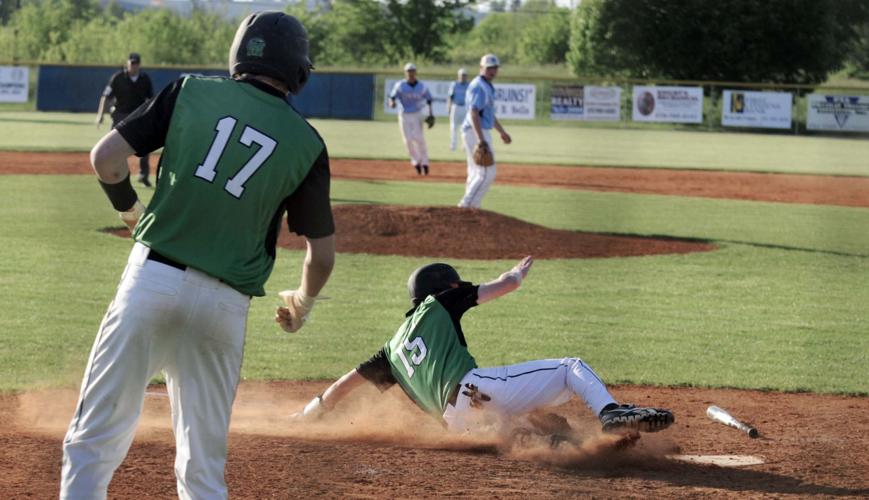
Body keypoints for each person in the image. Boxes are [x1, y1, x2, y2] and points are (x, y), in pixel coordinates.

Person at [61, 12, 336, 500]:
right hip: (225, 307)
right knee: (202, 469)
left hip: (151, 279)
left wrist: (130, 214)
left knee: (93, 443)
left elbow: (105, 159)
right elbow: (322, 255)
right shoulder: (308, 144)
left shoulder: (189, 90)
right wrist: (302, 303)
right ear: (298, 69)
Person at [291, 256, 674, 445]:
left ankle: (565, 445)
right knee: (568, 367)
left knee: (545, 428)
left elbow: (344, 385)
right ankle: (611, 413)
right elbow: (502, 286)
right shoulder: (439, 302)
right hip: (476, 388)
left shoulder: (390, 351)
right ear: (442, 287)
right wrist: (517, 275)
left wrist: (312, 412)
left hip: (458, 425)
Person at [458, 54, 512, 209]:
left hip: (475, 130)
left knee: (475, 172)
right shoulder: (479, 86)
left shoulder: (486, 85)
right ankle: (466, 204)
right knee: (488, 172)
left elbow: (487, 114)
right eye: (489, 68)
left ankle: (472, 206)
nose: (492, 71)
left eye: (495, 68)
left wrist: (502, 132)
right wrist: (481, 139)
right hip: (476, 130)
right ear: (481, 68)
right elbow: (473, 113)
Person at [96, 53, 155, 187]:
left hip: (138, 116)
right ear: (127, 63)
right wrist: (100, 115)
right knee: (114, 147)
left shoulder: (144, 79)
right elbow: (105, 96)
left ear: (139, 65)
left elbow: (151, 99)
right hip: (120, 115)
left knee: (146, 144)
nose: (133, 66)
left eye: (136, 63)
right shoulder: (118, 78)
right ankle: (117, 176)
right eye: (131, 63)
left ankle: (143, 175)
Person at [388, 63, 434, 175]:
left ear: (415, 72)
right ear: (405, 73)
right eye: (408, 71)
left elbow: (429, 99)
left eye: (412, 71)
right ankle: (415, 161)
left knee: (419, 139)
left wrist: (430, 113)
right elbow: (392, 97)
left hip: (417, 114)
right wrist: (392, 103)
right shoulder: (400, 85)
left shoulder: (422, 86)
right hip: (404, 115)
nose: (411, 73)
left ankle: (425, 162)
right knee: (408, 140)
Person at [447, 68, 469, 151]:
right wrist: (449, 107)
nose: (463, 77)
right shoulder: (454, 84)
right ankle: (453, 145)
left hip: (465, 107)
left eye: (464, 75)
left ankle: (465, 145)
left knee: (465, 127)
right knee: (453, 126)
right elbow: (450, 96)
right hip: (456, 106)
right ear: (458, 76)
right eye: (462, 75)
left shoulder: (469, 85)